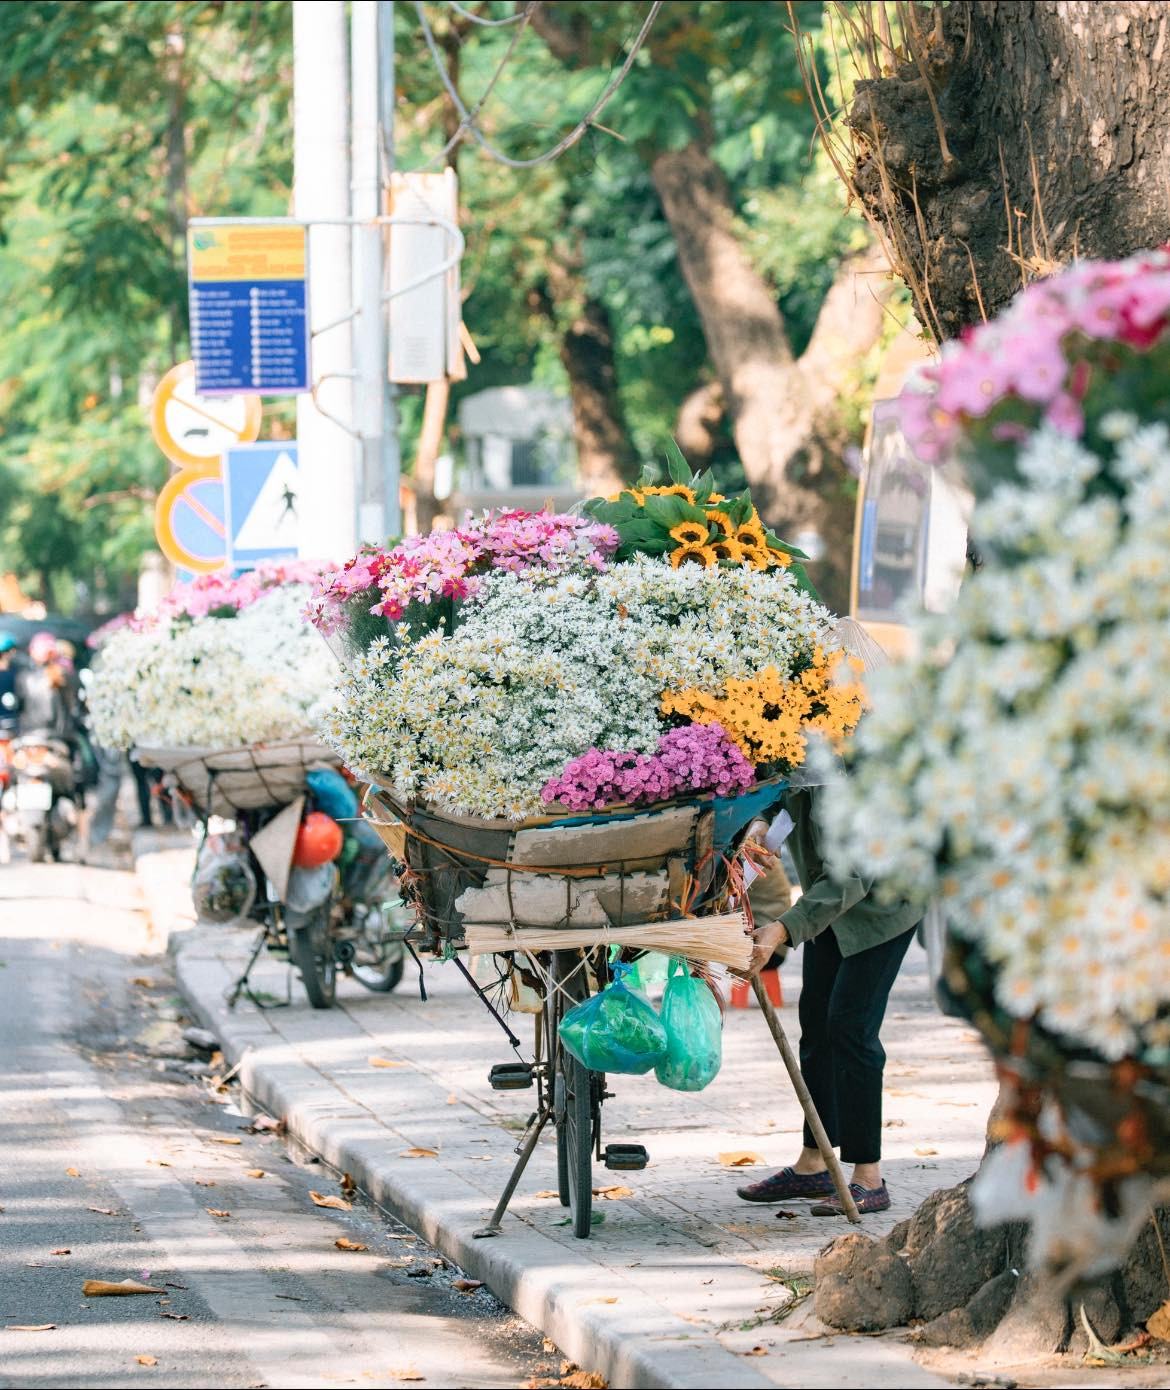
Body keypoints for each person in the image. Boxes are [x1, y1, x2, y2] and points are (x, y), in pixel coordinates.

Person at [738, 621, 918, 1217]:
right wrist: (761, 824)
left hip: (884, 905)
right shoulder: (811, 729)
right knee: (816, 1021)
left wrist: (785, 927)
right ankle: (815, 1164)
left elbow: (856, 876)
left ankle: (869, 1173)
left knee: (850, 1027)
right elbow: (782, 786)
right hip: (828, 903)